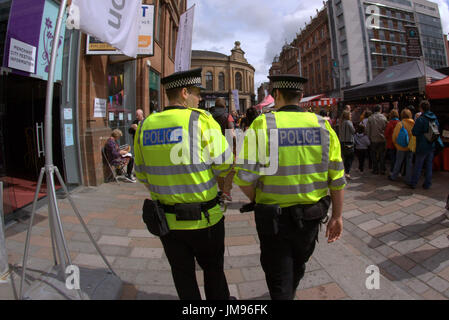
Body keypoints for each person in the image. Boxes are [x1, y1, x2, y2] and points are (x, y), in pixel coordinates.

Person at [233, 74, 345, 300]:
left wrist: (258, 198)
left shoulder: (263, 124)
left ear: (276, 96)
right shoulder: (322, 125)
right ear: (301, 96)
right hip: (311, 218)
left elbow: (244, 177)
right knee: (298, 265)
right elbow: (337, 178)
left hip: (274, 220)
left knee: (278, 279)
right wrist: (338, 216)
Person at [133, 68, 232, 300]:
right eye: (197, 94)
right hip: (205, 219)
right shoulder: (201, 120)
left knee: (182, 276)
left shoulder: (146, 125)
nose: (200, 99)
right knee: (214, 273)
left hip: (167, 221)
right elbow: (225, 164)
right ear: (185, 93)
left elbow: (141, 174)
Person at [409, 100, 441, 189]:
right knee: (429, 165)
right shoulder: (434, 118)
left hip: (422, 145)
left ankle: (414, 183)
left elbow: (414, 132)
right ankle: (427, 183)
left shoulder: (421, 119)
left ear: (421, 108)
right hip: (431, 144)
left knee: (418, 165)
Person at [210, 97, 235, 202]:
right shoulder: (227, 116)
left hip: (213, 147)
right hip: (226, 146)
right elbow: (231, 133)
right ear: (225, 105)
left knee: (219, 170)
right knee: (233, 169)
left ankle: (222, 191)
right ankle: (226, 191)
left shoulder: (210, 117)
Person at [389, 108, 414, 184]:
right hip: (410, 146)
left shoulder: (400, 124)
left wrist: (396, 145)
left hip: (401, 146)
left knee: (398, 162)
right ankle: (408, 178)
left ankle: (394, 176)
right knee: (409, 163)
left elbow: (394, 136)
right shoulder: (414, 123)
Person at [366, 105, 388, 174]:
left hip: (373, 139)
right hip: (382, 138)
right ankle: (382, 169)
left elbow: (367, 130)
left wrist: (369, 137)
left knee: (373, 155)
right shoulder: (384, 118)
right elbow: (386, 128)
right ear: (380, 110)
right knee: (382, 155)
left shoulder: (370, 118)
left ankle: (375, 169)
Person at [338, 110, 355, 179]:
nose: (351, 116)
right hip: (349, 142)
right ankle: (347, 172)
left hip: (342, 141)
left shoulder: (341, 122)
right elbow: (353, 131)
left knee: (345, 157)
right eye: (350, 115)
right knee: (350, 158)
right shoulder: (348, 122)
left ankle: (345, 171)